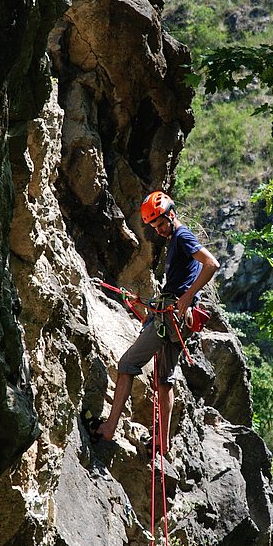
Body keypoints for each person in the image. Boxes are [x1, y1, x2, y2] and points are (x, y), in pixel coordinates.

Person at [92, 191, 219, 452]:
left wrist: (186, 297)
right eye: (154, 226)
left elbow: (211, 264)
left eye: (161, 224)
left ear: (171, 214)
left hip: (171, 318)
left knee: (127, 364)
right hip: (174, 318)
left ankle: (109, 429)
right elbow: (182, 281)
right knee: (164, 381)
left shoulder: (182, 236)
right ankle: (162, 443)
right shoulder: (175, 239)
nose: (158, 230)